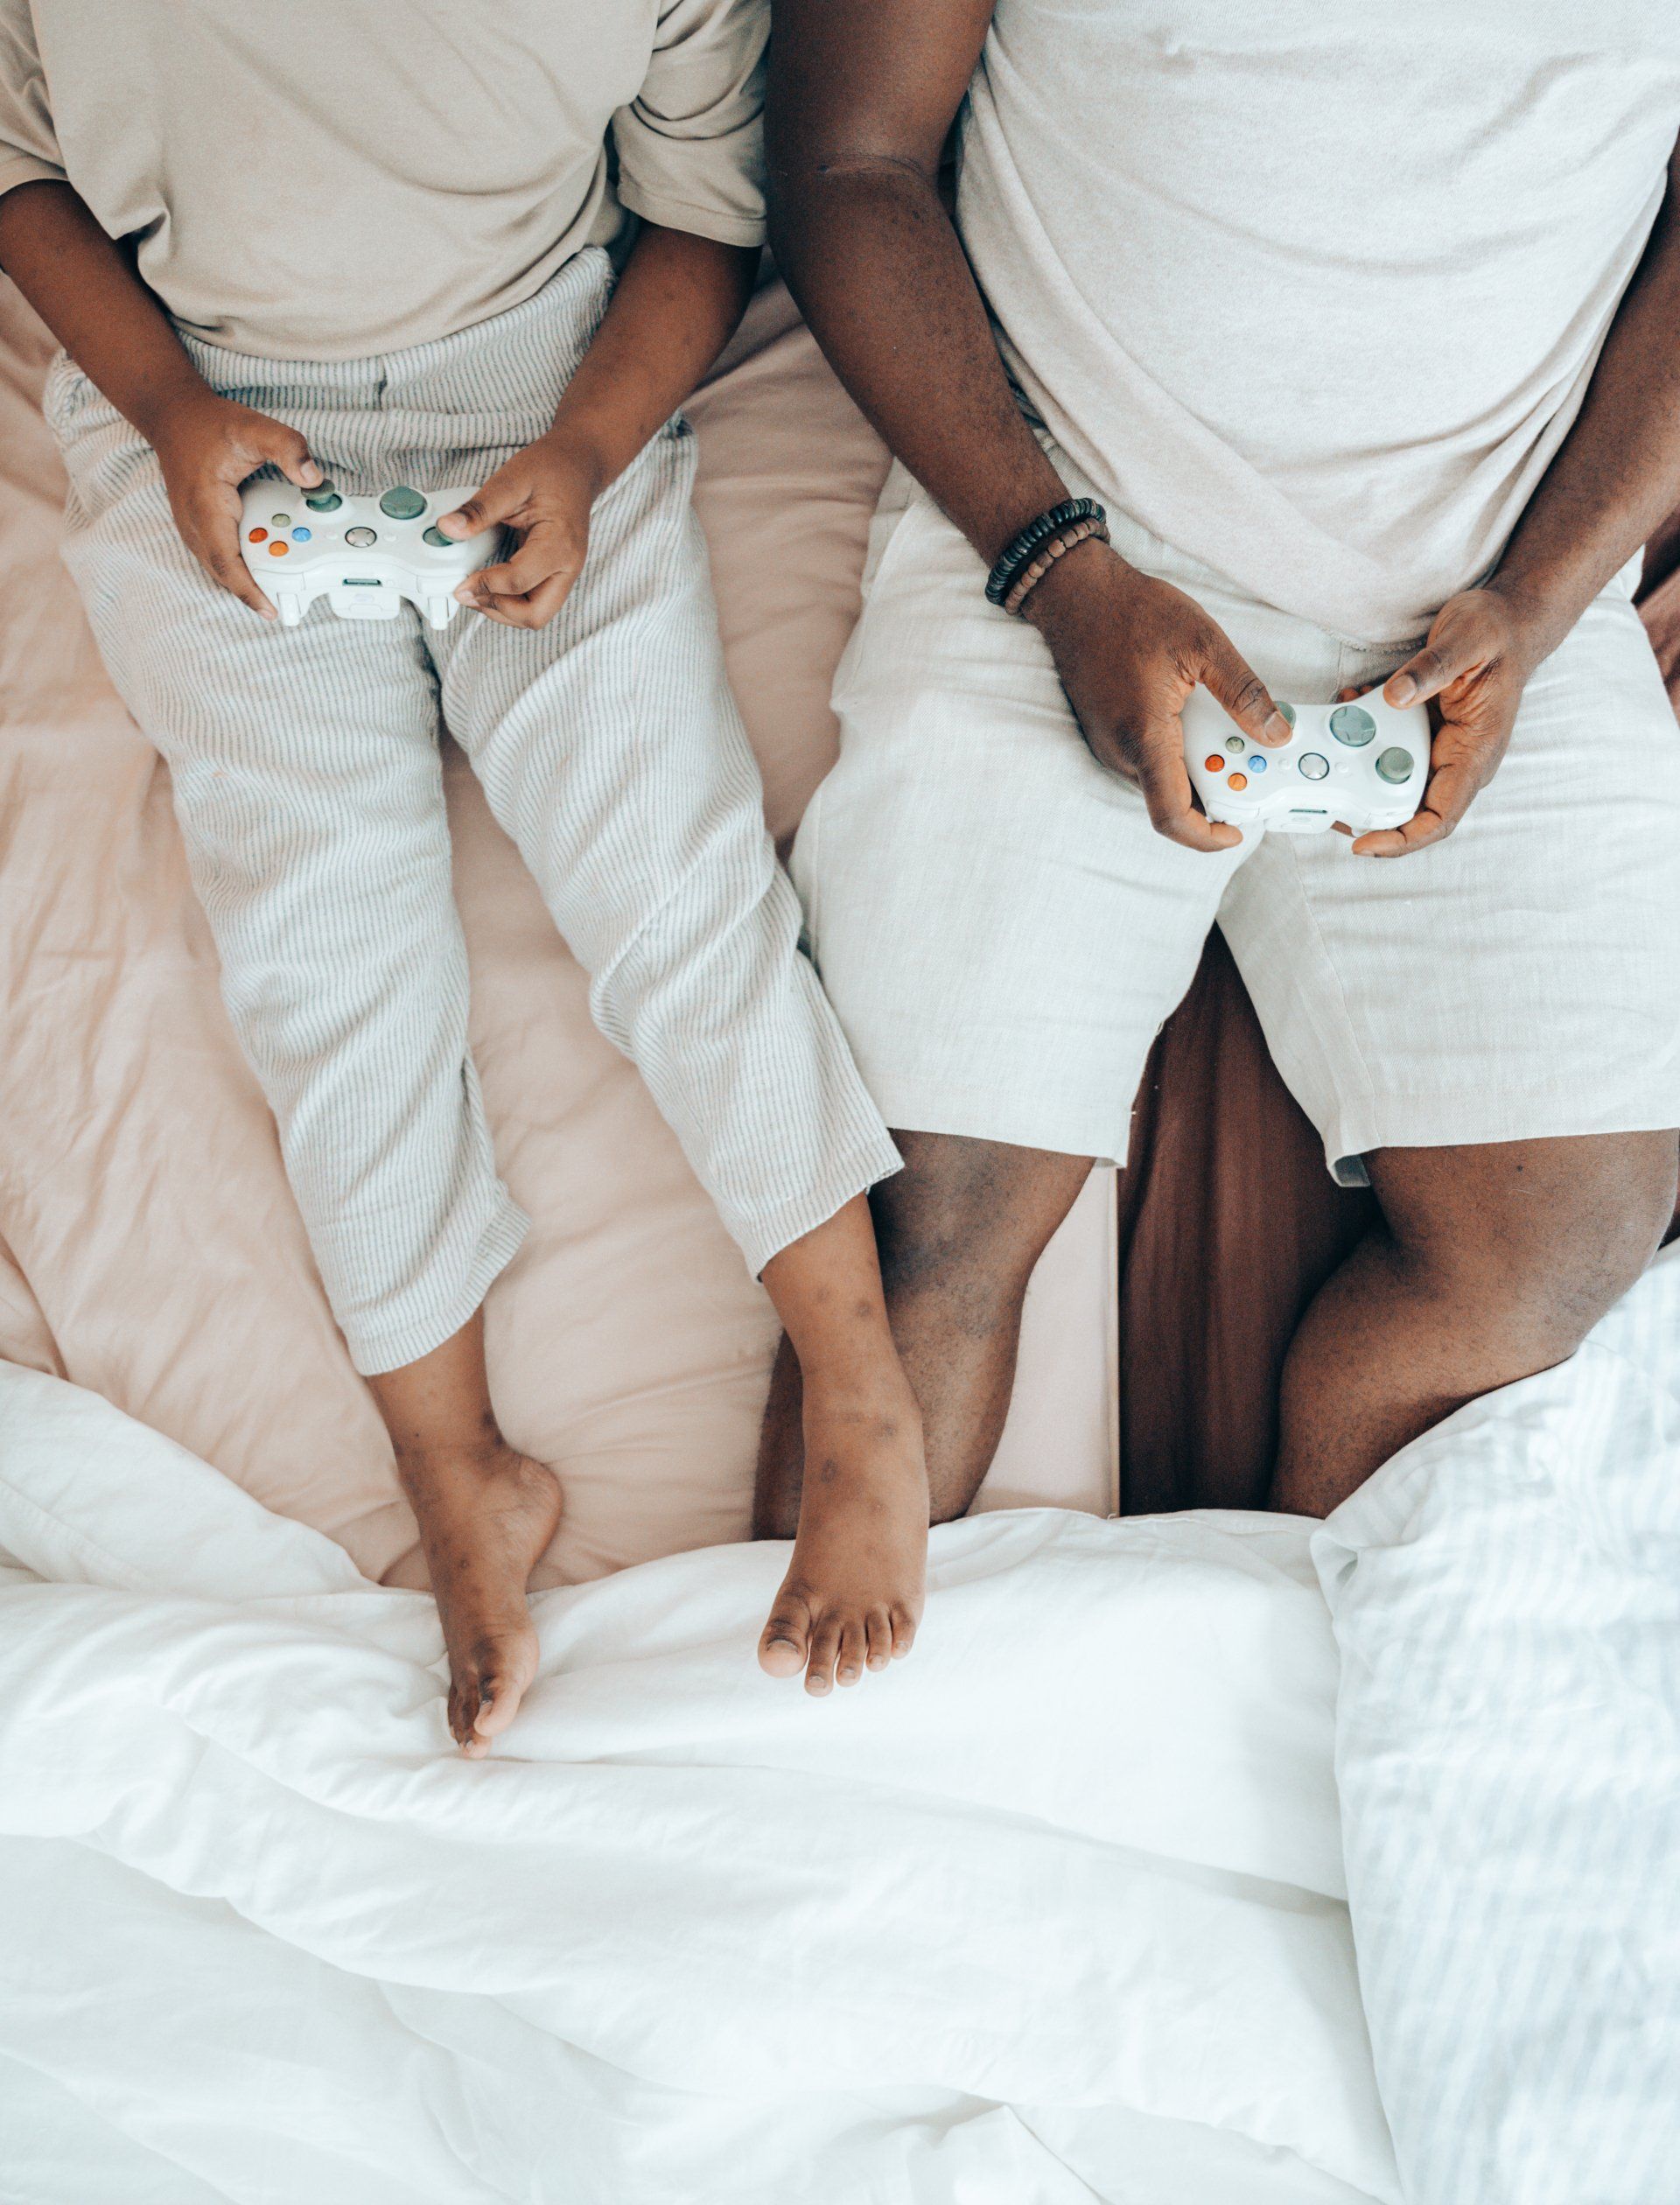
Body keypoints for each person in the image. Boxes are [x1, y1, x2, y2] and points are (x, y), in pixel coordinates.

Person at [0, 1, 928, 1732]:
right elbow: (22, 175)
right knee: (324, 950)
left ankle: (859, 1381)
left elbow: (704, 215)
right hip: (192, 403)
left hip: (536, 385)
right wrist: (173, 414)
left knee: (672, 881)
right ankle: (454, 1464)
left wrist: (584, 450)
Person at [751, 0, 1680, 1591]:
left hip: (1503, 593)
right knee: (925, 1240)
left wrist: (1542, 597)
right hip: (1053, 538)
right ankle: (824, 1780)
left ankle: (1315, 1727)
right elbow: (847, 160)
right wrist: (1058, 571)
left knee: (1561, 1246)